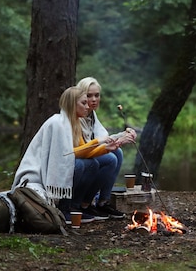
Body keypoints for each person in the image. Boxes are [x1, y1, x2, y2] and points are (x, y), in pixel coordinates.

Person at [11, 86, 121, 224]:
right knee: (80, 165)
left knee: (93, 163)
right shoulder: (58, 122)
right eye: (83, 103)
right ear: (72, 104)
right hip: (39, 171)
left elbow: (82, 151)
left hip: (60, 162)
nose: (87, 107)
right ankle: (63, 208)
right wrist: (98, 141)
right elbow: (67, 156)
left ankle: (75, 207)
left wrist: (106, 148)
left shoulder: (73, 122)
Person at [77, 77, 137, 219]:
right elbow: (88, 145)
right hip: (79, 156)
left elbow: (105, 138)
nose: (93, 99)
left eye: (97, 95)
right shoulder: (78, 116)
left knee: (118, 153)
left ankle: (103, 202)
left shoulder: (92, 115)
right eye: (89, 95)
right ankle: (85, 204)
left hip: (88, 152)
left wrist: (124, 134)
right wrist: (118, 140)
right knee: (110, 158)